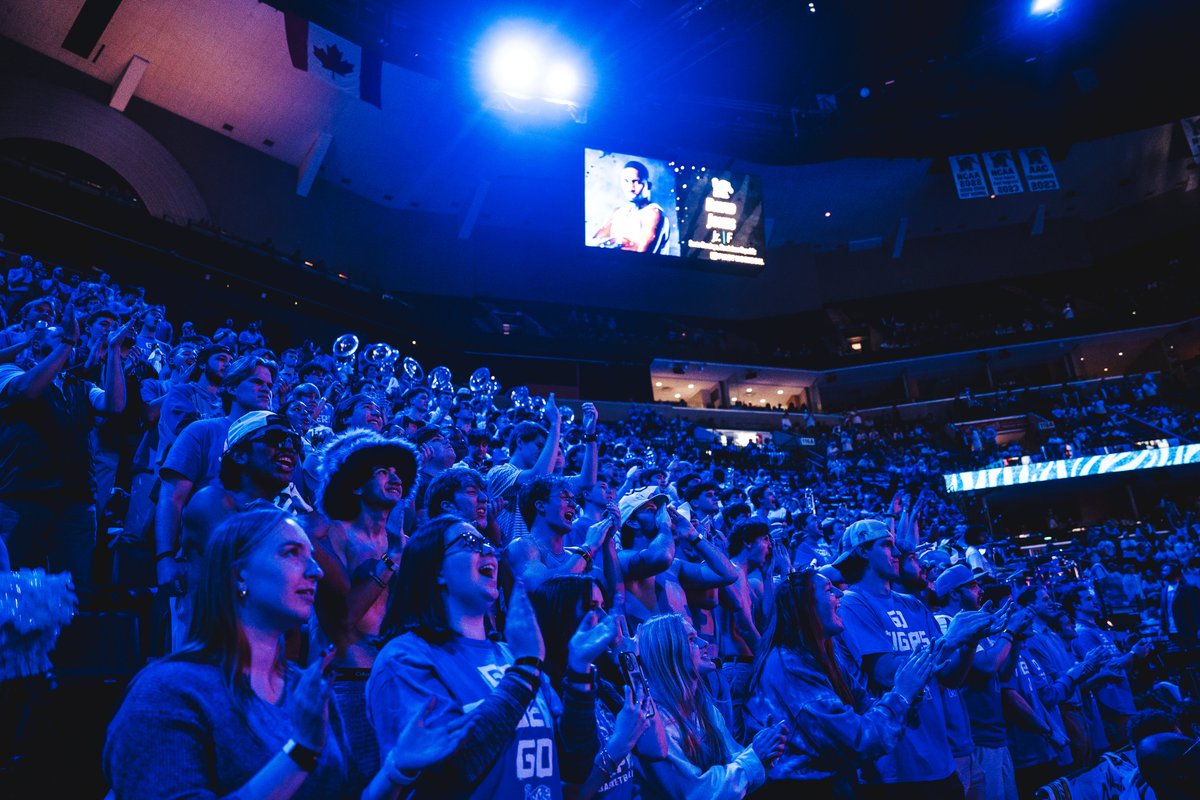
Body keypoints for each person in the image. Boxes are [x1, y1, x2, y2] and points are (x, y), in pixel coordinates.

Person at [103, 508, 469, 799]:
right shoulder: (170, 690)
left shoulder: (303, 689)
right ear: (239, 575)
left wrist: (396, 770)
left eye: (312, 556)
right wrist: (300, 754)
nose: (315, 572)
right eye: (291, 553)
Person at [366, 515, 603, 798]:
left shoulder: (508, 654)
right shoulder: (405, 659)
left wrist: (579, 671)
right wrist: (526, 669)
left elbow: (574, 765)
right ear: (436, 568)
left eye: (487, 542)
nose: (489, 549)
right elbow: (454, 767)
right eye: (470, 542)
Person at [744, 567, 936, 799]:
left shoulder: (822, 657)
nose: (840, 594)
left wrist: (910, 689)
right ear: (806, 606)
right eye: (828, 590)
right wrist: (902, 694)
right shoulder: (791, 665)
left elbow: (866, 707)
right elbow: (857, 740)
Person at [633, 612, 787, 799]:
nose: (704, 644)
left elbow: (732, 760)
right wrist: (754, 757)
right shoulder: (655, 723)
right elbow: (696, 792)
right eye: (691, 640)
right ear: (669, 652)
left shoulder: (702, 706)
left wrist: (763, 750)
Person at [591, 161, 670, 254]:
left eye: (636, 181)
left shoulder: (654, 214)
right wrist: (618, 241)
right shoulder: (617, 213)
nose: (630, 187)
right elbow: (593, 245)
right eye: (626, 181)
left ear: (648, 185)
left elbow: (641, 256)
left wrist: (610, 244)